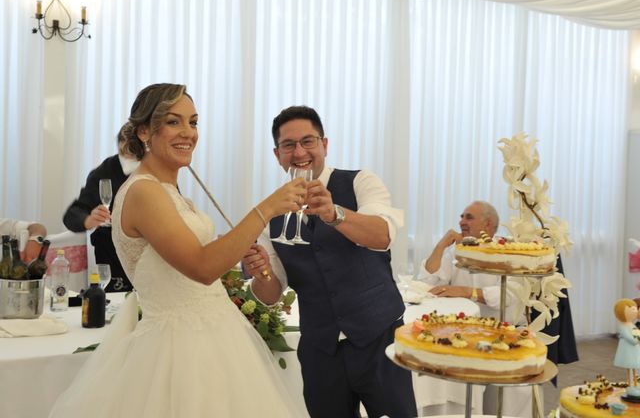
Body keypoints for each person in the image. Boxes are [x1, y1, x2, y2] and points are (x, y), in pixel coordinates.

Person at [49, 83, 308, 418]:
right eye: (174, 122)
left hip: (214, 338)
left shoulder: (169, 190)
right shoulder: (144, 192)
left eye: (193, 122)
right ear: (144, 132)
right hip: (180, 350)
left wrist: (237, 245)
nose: (188, 133)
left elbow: (186, 258)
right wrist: (266, 208)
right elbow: (201, 269)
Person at [242, 106, 417, 418]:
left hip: (379, 340)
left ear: (324, 144)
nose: (299, 152)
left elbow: (382, 235)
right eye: (288, 145)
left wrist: (335, 213)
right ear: (277, 153)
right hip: (320, 352)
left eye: (308, 141)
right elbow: (270, 293)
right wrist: (260, 272)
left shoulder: (361, 182)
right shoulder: (272, 212)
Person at [419, 201, 532, 417]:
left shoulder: (508, 251)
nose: (461, 221)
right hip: (466, 335)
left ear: (488, 224)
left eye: (469, 217)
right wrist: (442, 245)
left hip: (505, 335)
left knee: (502, 407)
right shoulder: (458, 251)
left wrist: (466, 291)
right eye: (461, 216)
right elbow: (428, 280)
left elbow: (512, 294)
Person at [62, 125, 139, 291]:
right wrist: (88, 220)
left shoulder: (157, 170)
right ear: (119, 145)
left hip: (147, 255)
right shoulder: (103, 173)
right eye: (125, 149)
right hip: (112, 256)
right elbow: (72, 215)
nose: (130, 155)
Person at [613, 298, 640, 387]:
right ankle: (630, 385)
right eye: (632, 309)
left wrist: (637, 337)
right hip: (628, 348)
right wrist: (636, 339)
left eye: (635, 309)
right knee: (629, 367)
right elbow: (630, 337)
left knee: (634, 366)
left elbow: (636, 333)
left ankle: (635, 384)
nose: (635, 311)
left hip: (634, 349)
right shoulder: (623, 326)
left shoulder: (632, 324)